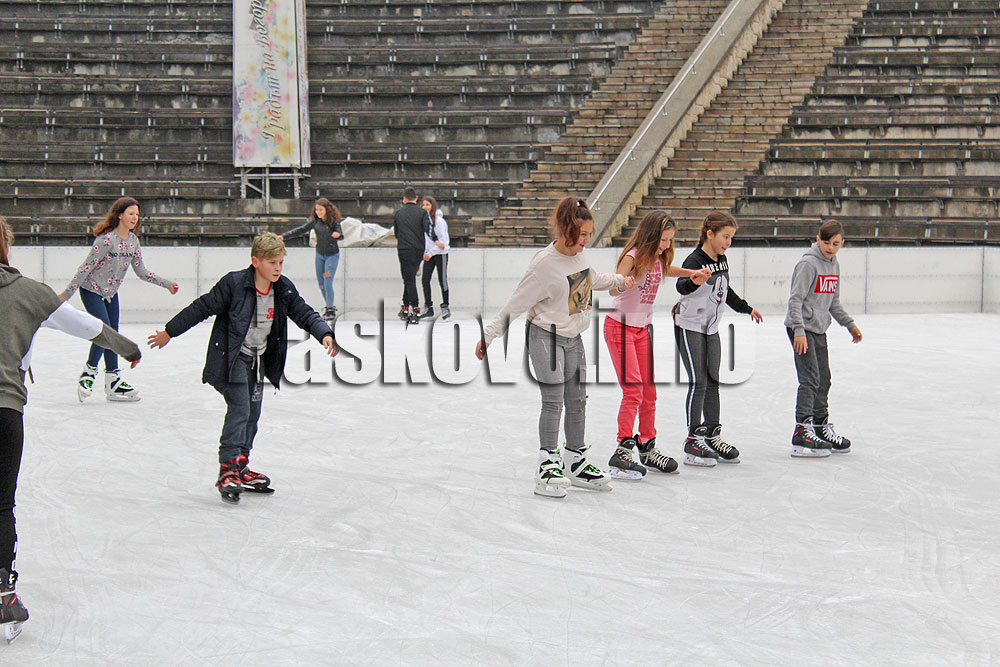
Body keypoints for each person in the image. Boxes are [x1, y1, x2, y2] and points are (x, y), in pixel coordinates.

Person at [0, 216, 141, 643]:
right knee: (1, 505)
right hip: (5, 411)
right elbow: (88, 326)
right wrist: (127, 347)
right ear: (6, 247)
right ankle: (3, 593)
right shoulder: (30, 293)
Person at [147, 233, 337, 504]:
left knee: (252, 414)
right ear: (256, 261)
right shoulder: (234, 284)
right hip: (233, 358)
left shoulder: (283, 289)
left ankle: (240, 466)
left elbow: (305, 313)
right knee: (240, 409)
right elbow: (202, 307)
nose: (278, 269)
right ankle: (227, 470)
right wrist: (169, 331)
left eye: (281, 263)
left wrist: (324, 333)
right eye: (272, 263)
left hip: (259, 360)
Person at [475, 197, 634, 498]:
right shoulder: (543, 264)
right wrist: (489, 335)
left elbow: (591, 279)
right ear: (566, 230)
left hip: (573, 337)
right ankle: (547, 464)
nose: (587, 240)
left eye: (589, 234)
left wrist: (619, 281)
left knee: (578, 400)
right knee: (553, 400)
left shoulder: (580, 257)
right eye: (582, 234)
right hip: (545, 337)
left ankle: (575, 461)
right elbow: (516, 303)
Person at [604, 210, 711, 478]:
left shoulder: (656, 258)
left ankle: (646, 445)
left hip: (641, 330)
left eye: (669, 240)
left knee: (649, 392)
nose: (666, 245)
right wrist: (623, 283)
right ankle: (622, 450)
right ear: (651, 236)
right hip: (619, 327)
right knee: (633, 391)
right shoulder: (632, 257)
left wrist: (692, 273)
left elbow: (667, 270)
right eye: (663, 240)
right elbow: (613, 287)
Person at [60, 197, 178, 402]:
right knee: (104, 331)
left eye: (137, 214)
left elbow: (141, 272)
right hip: (92, 290)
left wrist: (167, 284)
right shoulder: (106, 240)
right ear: (120, 215)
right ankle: (88, 374)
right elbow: (85, 268)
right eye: (131, 213)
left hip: (111, 294)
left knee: (112, 333)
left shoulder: (133, 242)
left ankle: (113, 381)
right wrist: (66, 294)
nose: (135, 218)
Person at [673, 211, 762, 467]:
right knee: (699, 381)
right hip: (690, 327)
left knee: (713, 381)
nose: (728, 242)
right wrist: (694, 281)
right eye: (725, 236)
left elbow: (726, 290)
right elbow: (681, 286)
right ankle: (693, 438)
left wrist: (746, 308)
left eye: (731, 237)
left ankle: (712, 435)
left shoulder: (721, 260)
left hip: (711, 329)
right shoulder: (694, 259)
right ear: (709, 234)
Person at [785, 219, 862, 457]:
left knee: (824, 379)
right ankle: (802, 430)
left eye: (835, 244)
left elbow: (833, 302)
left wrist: (849, 324)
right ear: (818, 239)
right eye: (826, 242)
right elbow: (795, 300)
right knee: (810, 379)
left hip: (818, 329)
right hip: (801, 328)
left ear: (842, 244)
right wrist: (799, 331)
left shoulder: (833, 264)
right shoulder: (808, 264)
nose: (830, 247)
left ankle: (820, 427)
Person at [278, 198, 344, 324]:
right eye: (317, 210)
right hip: (320, 254)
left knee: (327, 281)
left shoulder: (333, 222)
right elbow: (300, 230)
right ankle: (328, 306)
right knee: (321, 283)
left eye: (321, 210)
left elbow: (341, 234)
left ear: (327, 210)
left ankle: (330, 308)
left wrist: (338, 235)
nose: (318, 212)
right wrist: (284, 236)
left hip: (332, 255)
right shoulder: (315, 222)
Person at [393, 186, 434, 325]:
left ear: (404, 199)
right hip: (418, 249)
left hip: (405, 249)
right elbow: (428, 229)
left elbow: (397, 233)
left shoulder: (399, 213)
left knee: (409, 279)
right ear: (416, 198)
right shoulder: (422, 213)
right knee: (409, 277)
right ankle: (405, 307)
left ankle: (415, 309)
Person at [419, 195, 451, 322]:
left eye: (427, 205)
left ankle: (446, 307)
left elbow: (443, 243)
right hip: (429, 254)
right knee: (425, 279)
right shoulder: (424, 221)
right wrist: (427, 252)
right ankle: (428, 306)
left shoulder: (439, 221)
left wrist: (431, 252)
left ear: (432, 206)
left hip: (440, 254)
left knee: (442, 280)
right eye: (423, 205)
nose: (425, 207)